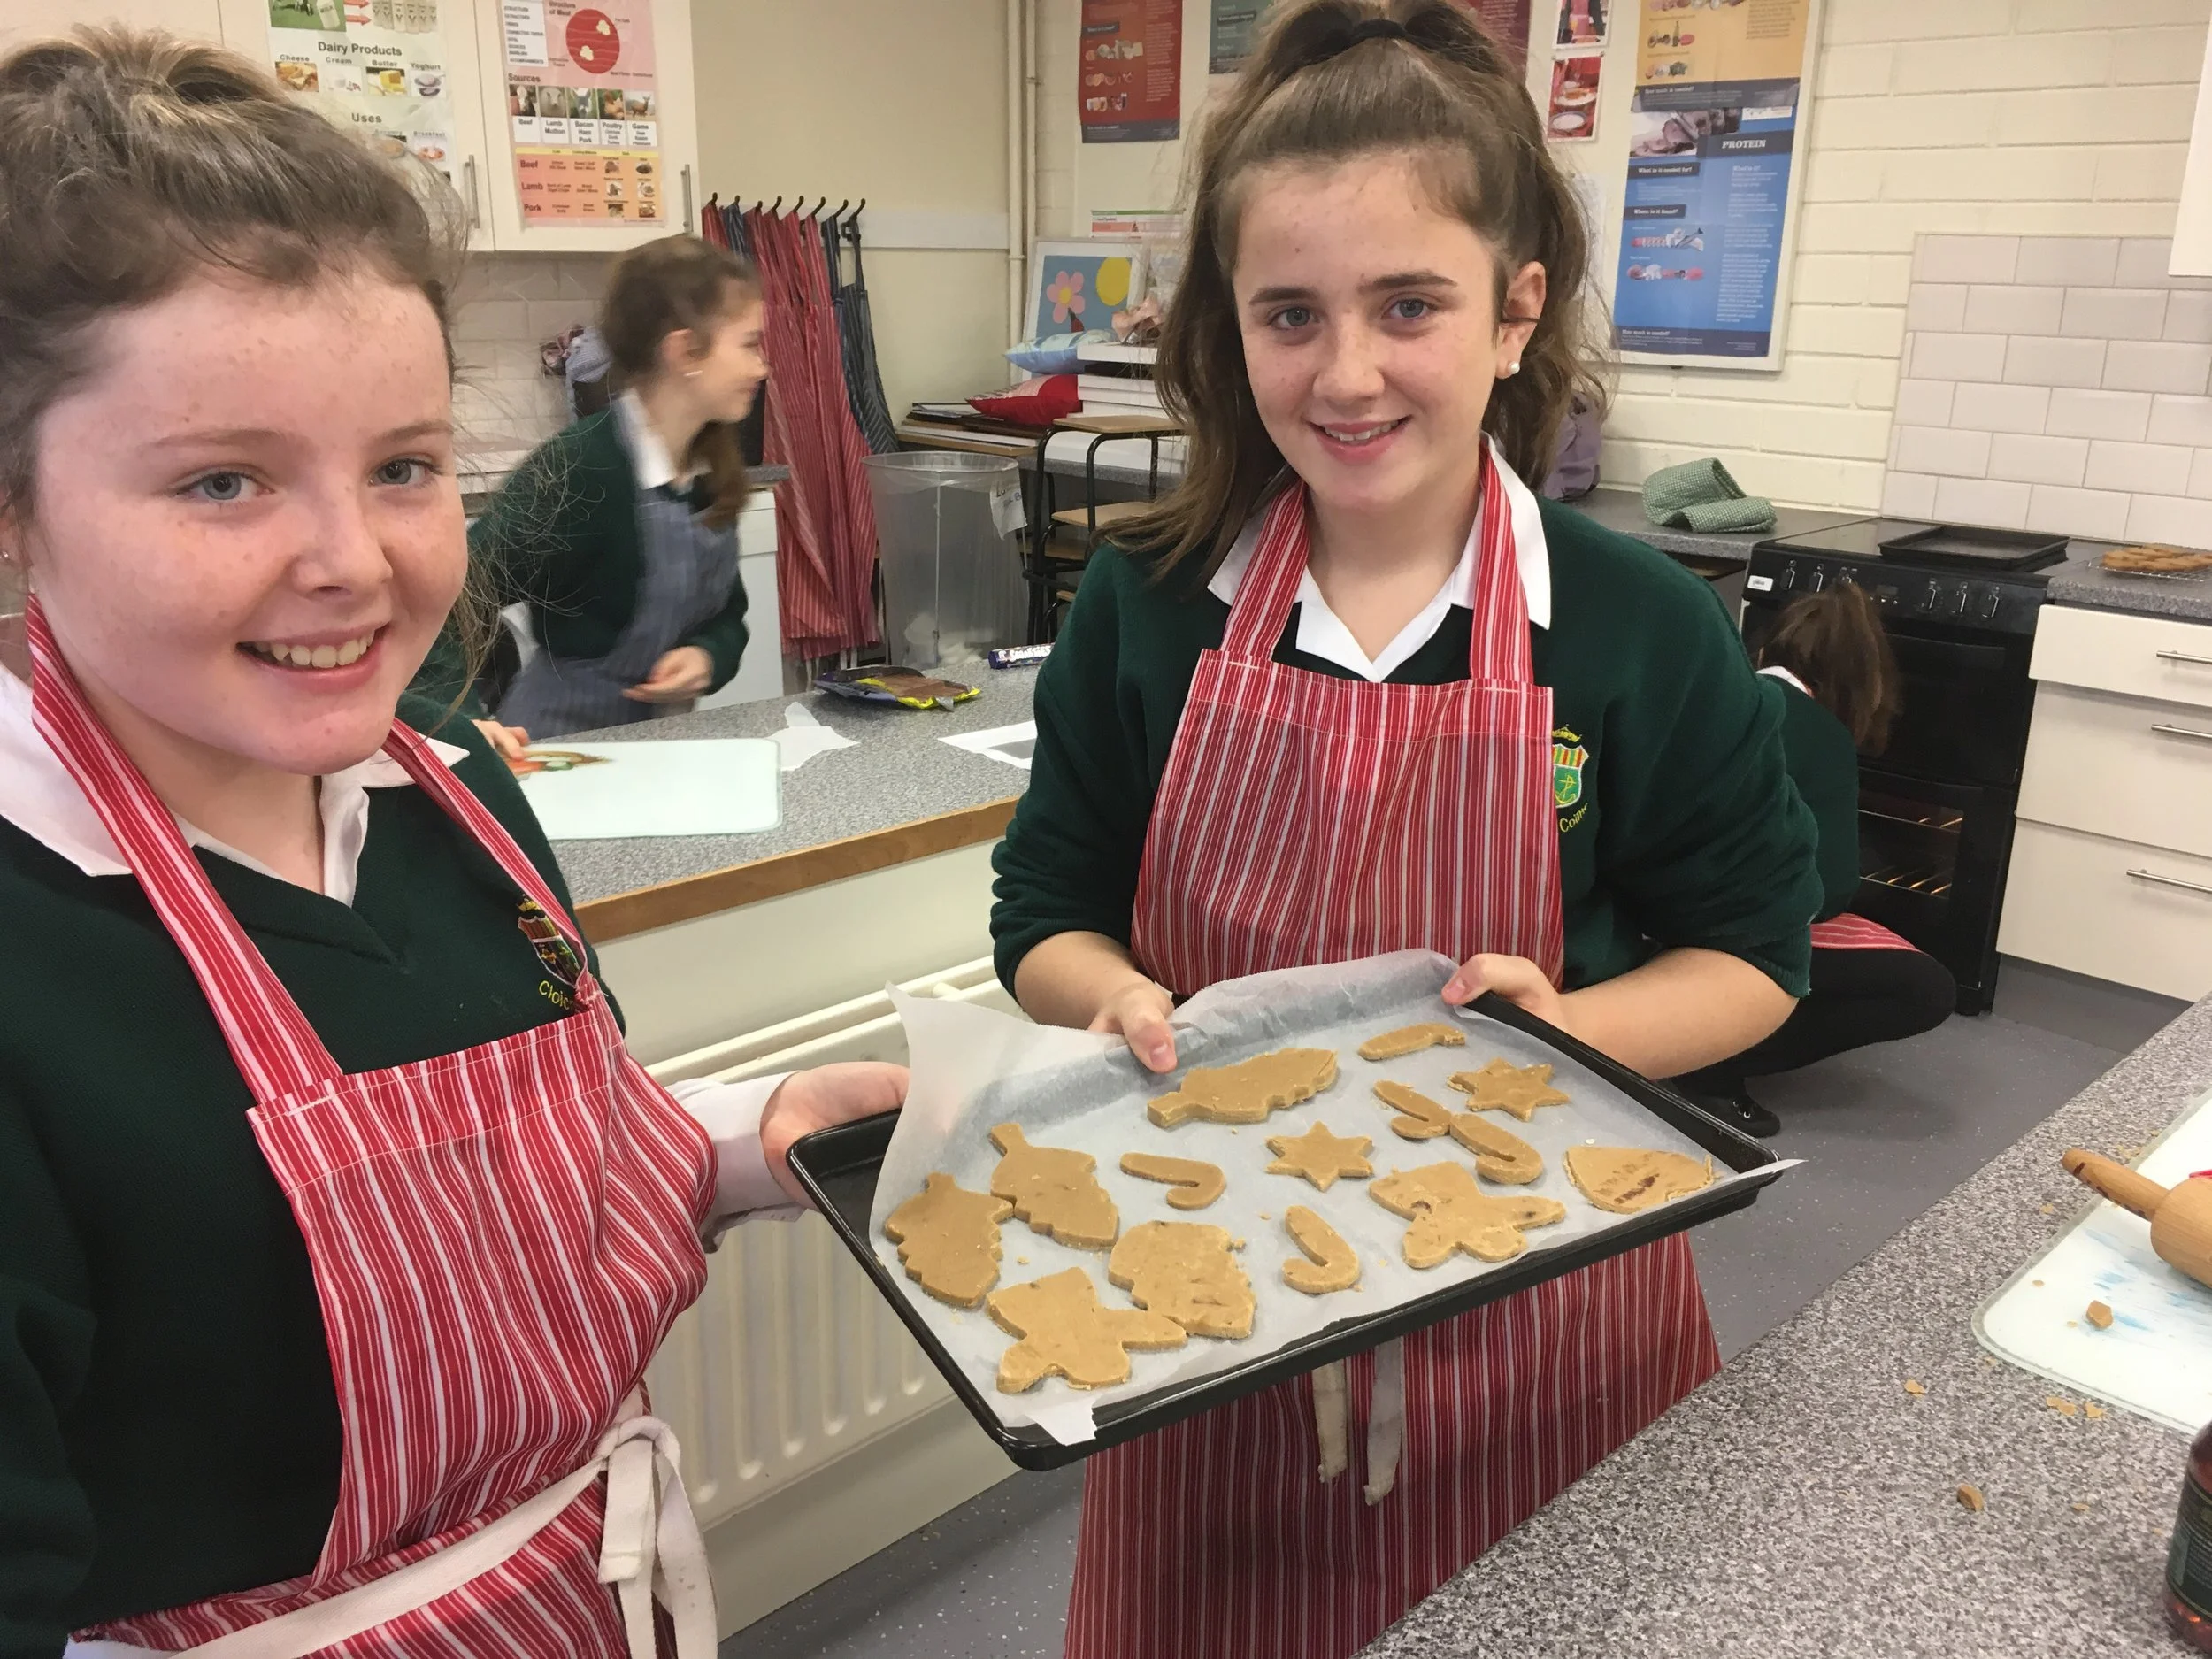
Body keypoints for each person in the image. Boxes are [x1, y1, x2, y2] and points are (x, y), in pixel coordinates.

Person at [0, 31, 897, 1656]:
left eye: (404, 467)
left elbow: (503, 1211)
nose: (351, 561)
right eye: (222, 482)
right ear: (14, 509)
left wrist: (752, 1145)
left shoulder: (456, 793)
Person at [987, 4, 1823, 1655]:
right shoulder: (1148, 614)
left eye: (1409, 306)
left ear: (1518, 312)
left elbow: (1758, 954)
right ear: (1233, 330)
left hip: (1549, 1323)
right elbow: (1043, 912)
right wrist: (1112, 1000)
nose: (1347, 371)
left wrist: (1569, 1029)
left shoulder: (1637, 627)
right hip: (1213, 1311)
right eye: (1291, 313)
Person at [423, 234, 766, 749]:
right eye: (749, 344)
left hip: (663, 747)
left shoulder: (709, 466)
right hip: (560, 749)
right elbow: (451, 596)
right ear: (683, 351)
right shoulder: (581, 468)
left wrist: (706, 655)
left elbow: (725, 614)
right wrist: (459, 720)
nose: (761, 367)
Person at [1675, 584, 1958, 1136]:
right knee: (1925, 991)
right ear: (1861, 683)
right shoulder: (1822, 733)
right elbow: (1830, 888)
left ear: (1763, 651)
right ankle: (1708, 1062)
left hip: (1637, 916)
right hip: (1713, 931)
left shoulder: (1715, 696)